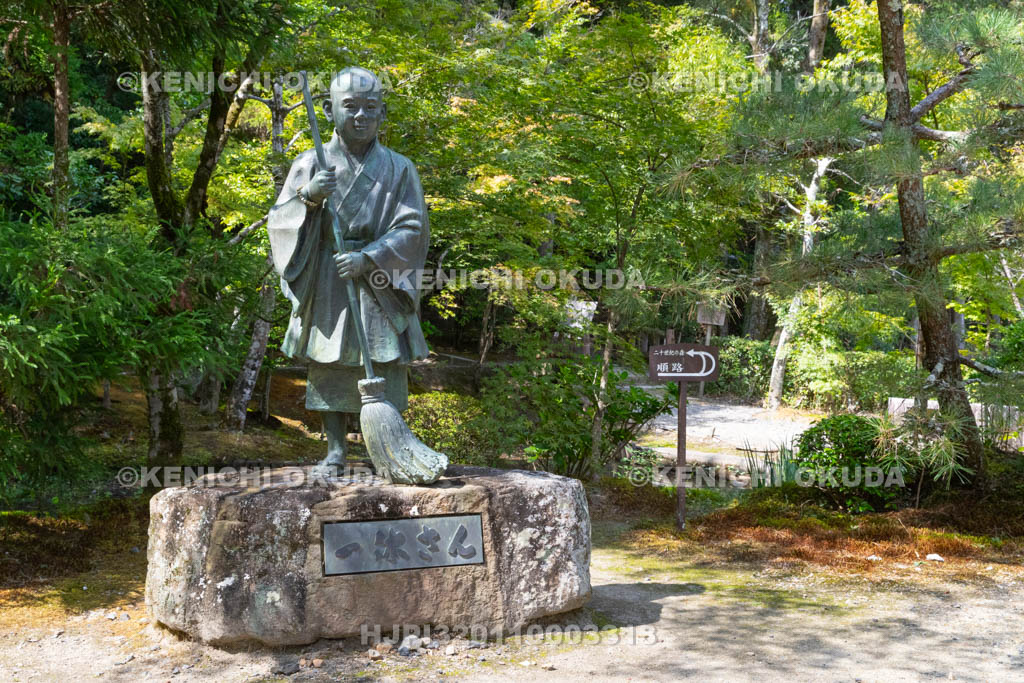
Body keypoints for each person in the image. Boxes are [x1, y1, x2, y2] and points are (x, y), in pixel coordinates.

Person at [268, 67, 429, 468]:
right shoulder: (310, 164)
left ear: (382, 112)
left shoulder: (400, 168)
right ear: (328, 109)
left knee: (383, 361)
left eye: (370, 108)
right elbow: (280, 221)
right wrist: (309, 197)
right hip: (329, 274)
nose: (361, 116)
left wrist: (369, 258)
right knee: (330, 361)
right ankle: (335, 449)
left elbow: (413, 227)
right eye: (350, 107)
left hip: (376, 276)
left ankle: (383, 447)